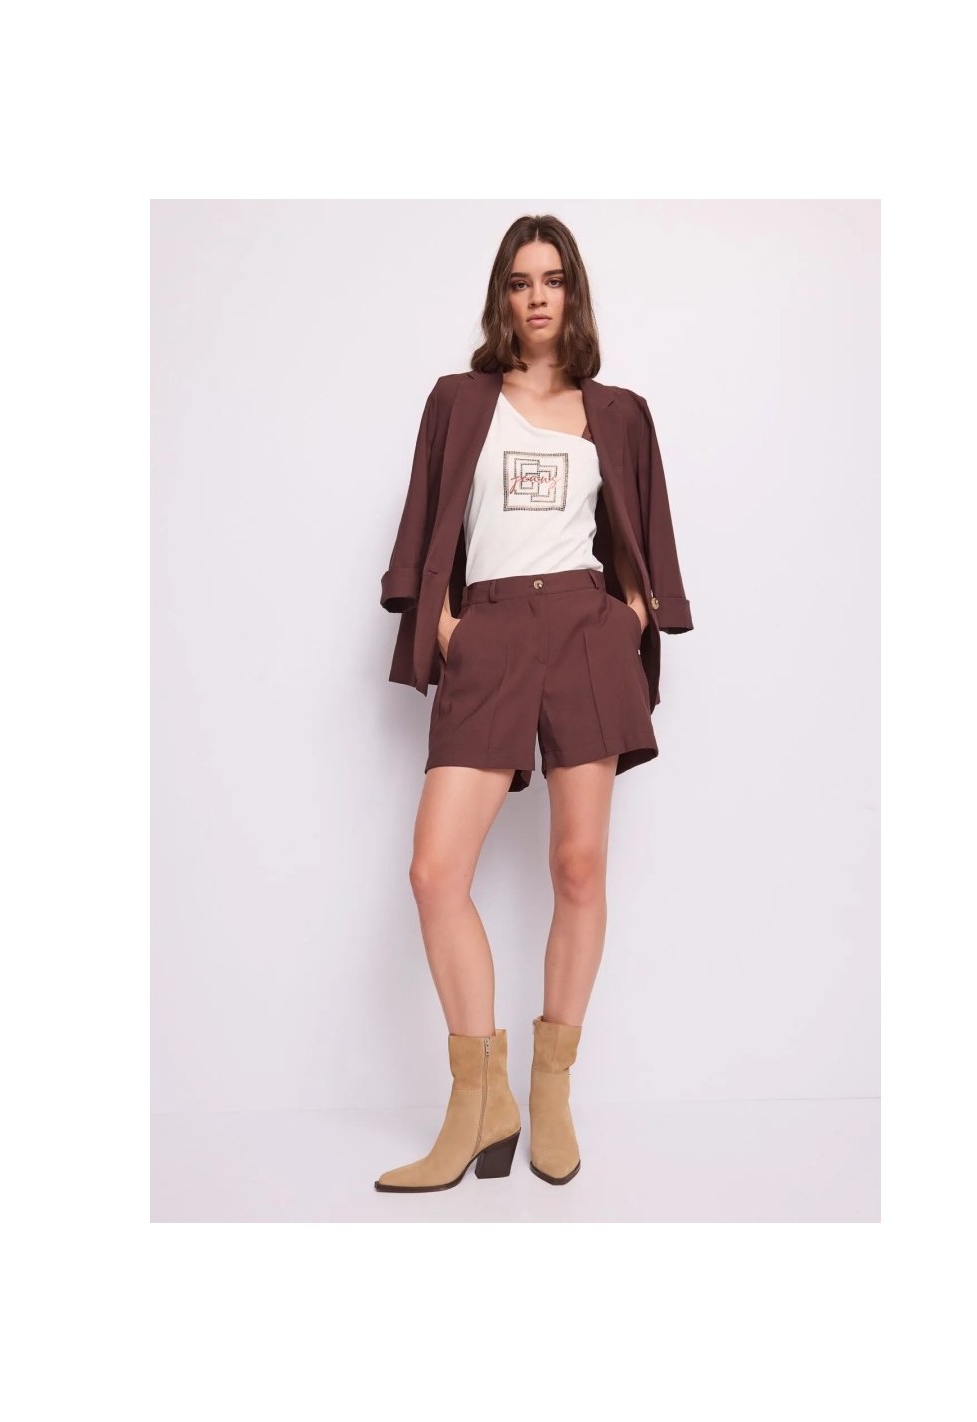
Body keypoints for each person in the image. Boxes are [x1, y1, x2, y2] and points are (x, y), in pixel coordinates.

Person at [374, 214, 693, 1193]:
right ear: (501, 297)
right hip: (493, 629)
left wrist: (627, 612)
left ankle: (550, 1092)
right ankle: (480, 1102)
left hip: (583, 633)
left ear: (573, 293)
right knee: (435, 872)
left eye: (552, 280)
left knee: (578, 867)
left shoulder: (620, 413)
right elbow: (426, 521)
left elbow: (643, 532)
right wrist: (445, 628)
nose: (537, 297)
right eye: (520, 282)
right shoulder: (459, 400)